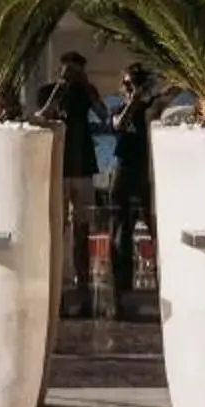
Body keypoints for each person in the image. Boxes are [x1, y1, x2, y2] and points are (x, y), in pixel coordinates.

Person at [36, 51, 107, 317]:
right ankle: (57, 283)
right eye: (70, 70)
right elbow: (42, 117)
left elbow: (102, 115)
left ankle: (83, 285)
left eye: (77, 71)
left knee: (82, 229)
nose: (73, 76)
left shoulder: (86, 93)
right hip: (60, 168)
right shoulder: (47, 91)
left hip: (84, 168)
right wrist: (59, 89)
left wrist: (87, 87)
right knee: (57, 228)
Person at [109, 62, 158, 317]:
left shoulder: (151, 109)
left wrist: (146, 94)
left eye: (133, 84)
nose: (129, 89)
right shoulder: (121, 109)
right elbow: (118, 125)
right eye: (126, 84)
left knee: (156, 231)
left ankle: (163, 286)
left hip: (147, 175)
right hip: (124, 173)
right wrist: (133, 100)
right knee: (120, 233)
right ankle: (120, 292)